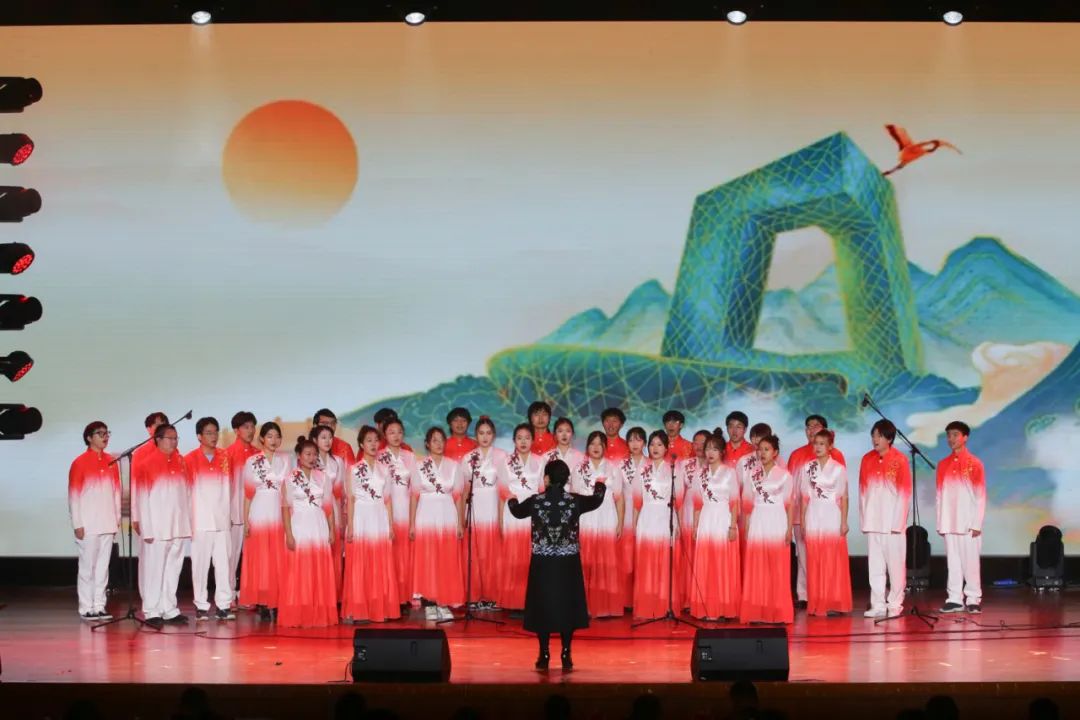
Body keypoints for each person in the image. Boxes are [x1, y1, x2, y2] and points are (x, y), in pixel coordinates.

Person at [508, 459, 606, 671]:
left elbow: (517, 511)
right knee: (567, 607)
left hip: (542, 563)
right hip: (567, 563)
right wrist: (600, 484)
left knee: (543, 607)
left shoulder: (536, 501)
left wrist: (512, 500)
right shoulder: (574, 501)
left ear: (546, 479)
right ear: (566, 479)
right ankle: (566, 653)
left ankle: (543, 653)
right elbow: (597, 500)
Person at [133, 423, 192, 628]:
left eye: (176, 438)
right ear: (158, 440)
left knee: (173, 569)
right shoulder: (146, 464)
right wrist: (147, 529)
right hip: (157, 527)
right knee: (154, 569)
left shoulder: (181, 462)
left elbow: (187, 495)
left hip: (178, 525)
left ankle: (169, 608)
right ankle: (151, 610)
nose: (174, 442)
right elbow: (142, 499)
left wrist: (187, 523)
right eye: (170, 438)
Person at [787, 415, 846, 610]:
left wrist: (842, 518)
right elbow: (791, 487)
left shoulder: (836, 455)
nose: (811, 429)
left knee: (826, 556)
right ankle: (805, 594)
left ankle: (826, 595)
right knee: (804, 555)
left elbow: (841, 491)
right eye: (808, 426)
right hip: (801, 513)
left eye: (816, 426)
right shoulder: (796, 455)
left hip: (828, 514)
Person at [342, 425, 400, 623]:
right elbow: (350, 500)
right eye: (369, 441)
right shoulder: (354, 470)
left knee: (379, 561)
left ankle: (379, 607)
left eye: (376, 440)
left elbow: (388, 499)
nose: (373, 444)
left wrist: (390, 525)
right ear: (361, 444)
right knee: (361, 561)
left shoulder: (385, 470)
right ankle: (359, 608)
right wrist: (350, 526)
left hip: (379, 516)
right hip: (361, 516)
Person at [278, 436, 337, 627]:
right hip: (299, 525)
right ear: (299, 455)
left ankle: (318, 612)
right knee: (299, 569)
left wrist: (332, 530)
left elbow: (328, 507)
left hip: (319, 524)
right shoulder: (290, 479)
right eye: (307, 454)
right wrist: (288, 534)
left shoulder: (323, 478)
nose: (311, 458)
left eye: (314, 454)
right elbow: (285, 508)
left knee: (318, 568)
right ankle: (299, 612)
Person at [410, 427, 465, 620]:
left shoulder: (454, 466)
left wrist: (460, 523)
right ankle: (429, 602)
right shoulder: (419, 465)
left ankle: (444, 601)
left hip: (447, 515)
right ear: (427, 444)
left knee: (446, 557)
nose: (439, 444)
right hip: (426, 515)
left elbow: (458, 497)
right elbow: (414, 496)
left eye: (441, 440)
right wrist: (412, 524)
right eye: (434, 440)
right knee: (428, 558)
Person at [859, 419, 912, 618]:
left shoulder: (900, 460)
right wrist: (865, 519)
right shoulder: (866, 459)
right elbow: (862, 492)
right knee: (875, 567)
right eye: (873, 435)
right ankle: (878, 604)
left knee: (895, 566)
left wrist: (898, 523)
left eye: (879, 436)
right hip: (874, 522)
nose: (875, 439)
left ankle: (895, 604)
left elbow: (904, 494)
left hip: (892, 524)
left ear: (889, 438)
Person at [68, 421, 121, 621]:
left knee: (102, 567)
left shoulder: (112, 461)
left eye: (107, 433)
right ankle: (86, 606)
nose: (105, 437)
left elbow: (116, 492)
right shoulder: (79, 462)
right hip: (88, 524)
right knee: (87, 567)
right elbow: (74, 496)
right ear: (89, 438)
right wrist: (77, 524)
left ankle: (99, 605)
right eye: (100, 433)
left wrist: (116, 519)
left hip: (107, 522)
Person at [739, 435, 794, 625]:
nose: (762, 453)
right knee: (758, 566)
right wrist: (747, 527)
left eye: (767, 449)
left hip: (777, 520)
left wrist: (789, 529)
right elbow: (747, 504)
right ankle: (758, 610)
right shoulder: (752, 474)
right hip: (758, 520)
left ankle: (778, 611)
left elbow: (789, 504)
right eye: (760, 449)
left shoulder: (785, 475)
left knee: (777, 566)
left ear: (775, 452)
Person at [797, 429, 852, 617]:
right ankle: (817, 601)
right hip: (813, 513)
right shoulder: (807, 467)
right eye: (816, 443)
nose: (818, 447)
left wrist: (844, 522)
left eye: (822, 444)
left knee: (832, 559)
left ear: (830, 446)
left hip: (831, 514)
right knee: (815, 559)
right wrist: (803, 521)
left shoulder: (838, 468)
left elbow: (844, 497)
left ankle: (834, 602)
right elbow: (804, 498)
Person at [239, 421, 292, 619]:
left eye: (277, 436)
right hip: (259, 511)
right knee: (261, 557)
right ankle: (262, 600)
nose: (273, 440)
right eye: (269, 436)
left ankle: (277, 600)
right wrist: (246, 521)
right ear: (262, 438)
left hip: (279, 512)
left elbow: (289, 491)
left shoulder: (286, 460)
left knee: (278, 557)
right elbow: (247, 494)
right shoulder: (252, 461)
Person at [184, 417, 235, 621]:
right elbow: (186, 492)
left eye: (215, 432)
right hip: (201, 520)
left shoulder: (225, 457)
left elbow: (231, 488)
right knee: (200, 565)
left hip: (222, 520)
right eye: (208, 433)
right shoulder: (189, 459)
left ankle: (224, 605)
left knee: (223, 564)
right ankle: (201, 605)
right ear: (199, 436)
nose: (214, 436)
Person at [572, 431, 624, 618]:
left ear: (605, 447)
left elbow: (619, 498)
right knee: (585, 560)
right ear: (587, 447)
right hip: (586, 518)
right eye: (592, 443)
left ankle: (605, 607)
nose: (595, 447)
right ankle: (583, 607)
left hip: (607, 517)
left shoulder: (613, 468)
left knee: (605, 560)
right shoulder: (579, 469)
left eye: (599, 444)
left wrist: (620, 522)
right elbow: (574, 497)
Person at [632, 430, 684, 619]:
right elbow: (637, 500)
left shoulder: (674, 469)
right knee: (646, 562)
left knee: (664, 561)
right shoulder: (642, 469)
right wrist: (635, 524)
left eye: (659, 444)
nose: (655, 448)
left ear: (666, 448)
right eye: (652, 444)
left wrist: (678, 524)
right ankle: (647, 606)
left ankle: (664, 606)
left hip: (665, 515)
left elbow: (678, 500)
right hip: (647, 515)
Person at [689, 433, 741, 621]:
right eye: (708, 449)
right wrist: (695, 527)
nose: (710, 453)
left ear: (722, 452)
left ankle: (723, 607)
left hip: (723, 517)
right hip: (706, 518)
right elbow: (697, 504)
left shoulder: (729, 473)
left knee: (722, 563)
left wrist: (733, 526)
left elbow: (734, 502)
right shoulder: (700, 474)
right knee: (706, 563)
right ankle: (705, 607)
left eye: (715, 449)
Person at [936, 420, 986, 614]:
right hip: (950, 522)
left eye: (955, 434)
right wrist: (941, 522)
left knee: (971, 563)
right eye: (949, 435)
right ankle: (955, 599)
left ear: (965, 437)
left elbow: (980, 496)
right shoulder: (943, 465)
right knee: (953, 563)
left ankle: (973, 598)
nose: (951, 438)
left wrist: (976, 523)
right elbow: (940, 496)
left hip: (968, 523)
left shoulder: (975, 463)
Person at [497, 423, 545, 613]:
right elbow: (502, 491)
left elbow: (542, 490)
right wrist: (501, 520)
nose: (523, 442)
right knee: (514, 555)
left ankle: (533, 601)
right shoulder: (506, 462)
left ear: (533, 440)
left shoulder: (540, 461)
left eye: (527, 438)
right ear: (514, 441)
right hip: (513, 510)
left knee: (532, 555)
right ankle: (514, 602)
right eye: (519, 438)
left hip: (534, 511)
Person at [459, 417, 506, 610]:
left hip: (494, 504)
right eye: (481, 433)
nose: (485, 437)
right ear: (476, 435)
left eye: (488, 433)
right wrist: (462, 516)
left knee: (494, 553)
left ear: (493, 435)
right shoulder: (468, 458)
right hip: (475, 506)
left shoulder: (503, 457)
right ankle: (474, 595)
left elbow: (504, 488)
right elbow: (464, 490)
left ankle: (494, 596)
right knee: (475, 551)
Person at [378, 418, 416, 608]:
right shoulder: (378, 456)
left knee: (405, 554)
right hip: (384, 508)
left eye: (399, 432)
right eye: (391, 432)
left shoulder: (410, 456)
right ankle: (389, 596)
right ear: (384, 435)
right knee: (389, 553)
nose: (396, 436)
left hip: (405, 508)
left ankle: (406, 595)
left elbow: (415, 487)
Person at [131, 411, 168, 600]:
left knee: (166, 559)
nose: (161, 427)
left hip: (167, 515)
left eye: (164, 423)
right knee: (147, 558)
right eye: (157, 424)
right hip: (147, 515)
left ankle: (164, 599)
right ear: (148, 429)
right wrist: (136, 516)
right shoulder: (140, 453)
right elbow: (136, 486)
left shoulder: (172, 451)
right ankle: (147, 597)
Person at [224, 411, 259, 608]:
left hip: (256, 514)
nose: (250, 431)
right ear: (236, 430)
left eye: (252, 426)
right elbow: (225, 486)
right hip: (235, 513)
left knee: (252, 557)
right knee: (232, 555)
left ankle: (247, 595)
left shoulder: (258, 455)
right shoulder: (228, 454)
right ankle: (228, 595)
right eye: (246, 427)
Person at [311, 424, 348, 599]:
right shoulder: (310, 460)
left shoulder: (338, 461)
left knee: (334, 548)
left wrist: (341, 516)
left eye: (330, 437)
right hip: (315, 506)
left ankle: (334, 594)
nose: (328, 441)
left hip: (333, 505)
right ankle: (317, 593)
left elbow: (340, 491)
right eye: (323, 438)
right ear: (315, 440)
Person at [678, 429, 710, 605]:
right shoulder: (685, 465)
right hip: (688, 512)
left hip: (708, 513)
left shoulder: (715, 466)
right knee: (688, 555)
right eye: (695, 442)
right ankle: (688, 599)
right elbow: (679, 493)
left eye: (702, 442)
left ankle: (704, 597)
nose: (698, 446)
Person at [618, 426, 647, 609]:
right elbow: (618, 494)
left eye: (638, 439)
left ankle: (643, 599)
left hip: (647, 512)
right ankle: (626, 600)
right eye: (631, 440)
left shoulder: (651, 464)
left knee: (644, 558)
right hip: (626, 512)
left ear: (644, 443)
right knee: (626, 558)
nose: (634, 444)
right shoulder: (621, 465)